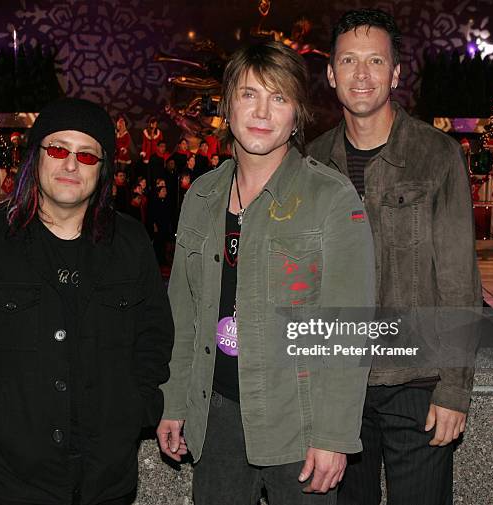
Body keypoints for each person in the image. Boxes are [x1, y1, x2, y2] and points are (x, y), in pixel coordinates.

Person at [157, 40, 375, 505]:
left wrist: (333, 435)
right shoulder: (200, 196)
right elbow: (182, 315)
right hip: (213, 420)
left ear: (297, 115)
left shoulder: (331, 198)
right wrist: (174, 402)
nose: (262, 110)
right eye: (248, 94)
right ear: (227, 106)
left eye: (279, 98)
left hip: (299, 425)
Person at [0, 97, 174, 505]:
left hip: (108, 478)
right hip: (15, 479)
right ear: (37, 158)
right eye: (59, 149)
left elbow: (154, 337)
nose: (71, 164)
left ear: (102, 171)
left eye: (86, 155)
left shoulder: (132, 243)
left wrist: (136, 411)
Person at [307, 9, 482, 505]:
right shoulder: (313, 162)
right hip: (340, 388)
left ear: (396, 73)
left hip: (417, 385)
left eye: (375, 61)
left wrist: (453, 389)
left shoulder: (436, 155)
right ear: (331, 74)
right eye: (348, 61)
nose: (361, 75)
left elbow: (459, 283)